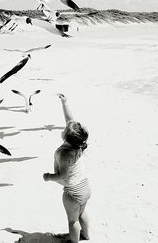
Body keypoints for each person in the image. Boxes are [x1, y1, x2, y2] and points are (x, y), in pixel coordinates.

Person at [43, 93, 91, 243]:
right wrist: (64, 103)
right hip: (85, 187)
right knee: (82, 213)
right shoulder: (79, 145)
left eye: (65, 130)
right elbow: (70, 120)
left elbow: (63, 176)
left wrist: (49, 177)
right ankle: (86, 235)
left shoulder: (64, 154)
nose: (64, 128)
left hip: (72, 193)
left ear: (66, 137)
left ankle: (74, 241)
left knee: (72, 221)